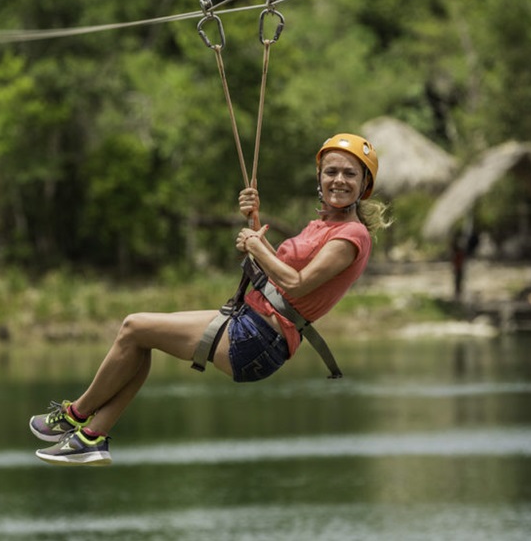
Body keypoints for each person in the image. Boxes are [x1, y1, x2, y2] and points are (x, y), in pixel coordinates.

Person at [28, 133, 391, 465]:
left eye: (349, 174)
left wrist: (255, 247)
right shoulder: (321, 225)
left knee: (133, 326)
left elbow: (296, 284)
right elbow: (276, 271)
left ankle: (76, 415)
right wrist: (255, 226)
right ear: (319, 178)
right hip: (249, 323)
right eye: (331, 172)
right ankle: (92, 437)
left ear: (365, 186)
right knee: (137, 338)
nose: (339, 180)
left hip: (259, 340)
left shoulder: (351, 236)